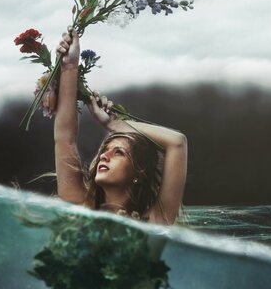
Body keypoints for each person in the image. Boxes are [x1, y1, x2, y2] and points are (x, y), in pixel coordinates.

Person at [54, 26, 187, 225]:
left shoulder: (155, 220)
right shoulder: (79, 203)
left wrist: (114, 124)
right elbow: (65, 138)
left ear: (137, 174)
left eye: (119, 153)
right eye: (106, 151)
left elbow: (177, 142)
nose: (104, 156)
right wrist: (69, 66)